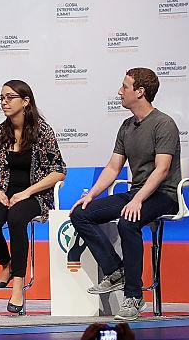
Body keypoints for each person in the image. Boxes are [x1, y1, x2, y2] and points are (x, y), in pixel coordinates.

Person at [70, 67, 182, 321]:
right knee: (80, 213)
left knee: (128, 221)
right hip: (136, 192)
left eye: (125, 86)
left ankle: (134, 297)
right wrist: (92, 195)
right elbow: (113, 167)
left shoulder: (164, 124)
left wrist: (138, 199)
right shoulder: (126, 126)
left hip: (163, 195)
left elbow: (163, 170)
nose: (120, 92)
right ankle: (115, 270)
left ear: (140, 92)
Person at [0, 79, 66, 314]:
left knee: (17, 218)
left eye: (9, 97)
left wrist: (25, 192)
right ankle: (6, 263)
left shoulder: (43, 132)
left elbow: (59, 171)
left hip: (34, 196)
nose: (4, 102)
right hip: (3, 192)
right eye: (1, 98)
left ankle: (17, 285)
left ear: (26, 102)